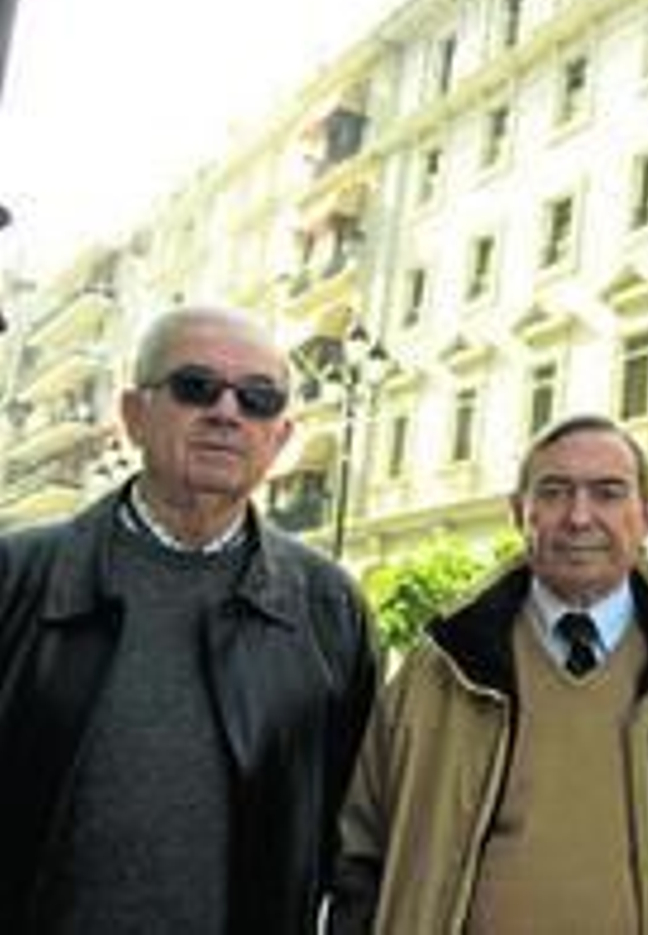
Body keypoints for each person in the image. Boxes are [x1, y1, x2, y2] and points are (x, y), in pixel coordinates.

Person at [330, 413, 648, 933]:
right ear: (518, 513)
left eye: (608, 493)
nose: (579, 517)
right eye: (553, 492)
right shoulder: (437, 670)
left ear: (647, 516)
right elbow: (359, 860)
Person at [0, 305, 379, 933]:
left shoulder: (331, 611)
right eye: (195, 386)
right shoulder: (16, 580)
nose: (227, 412)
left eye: (258, 399)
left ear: (280, 438)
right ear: (133, 415)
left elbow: (359, 841)